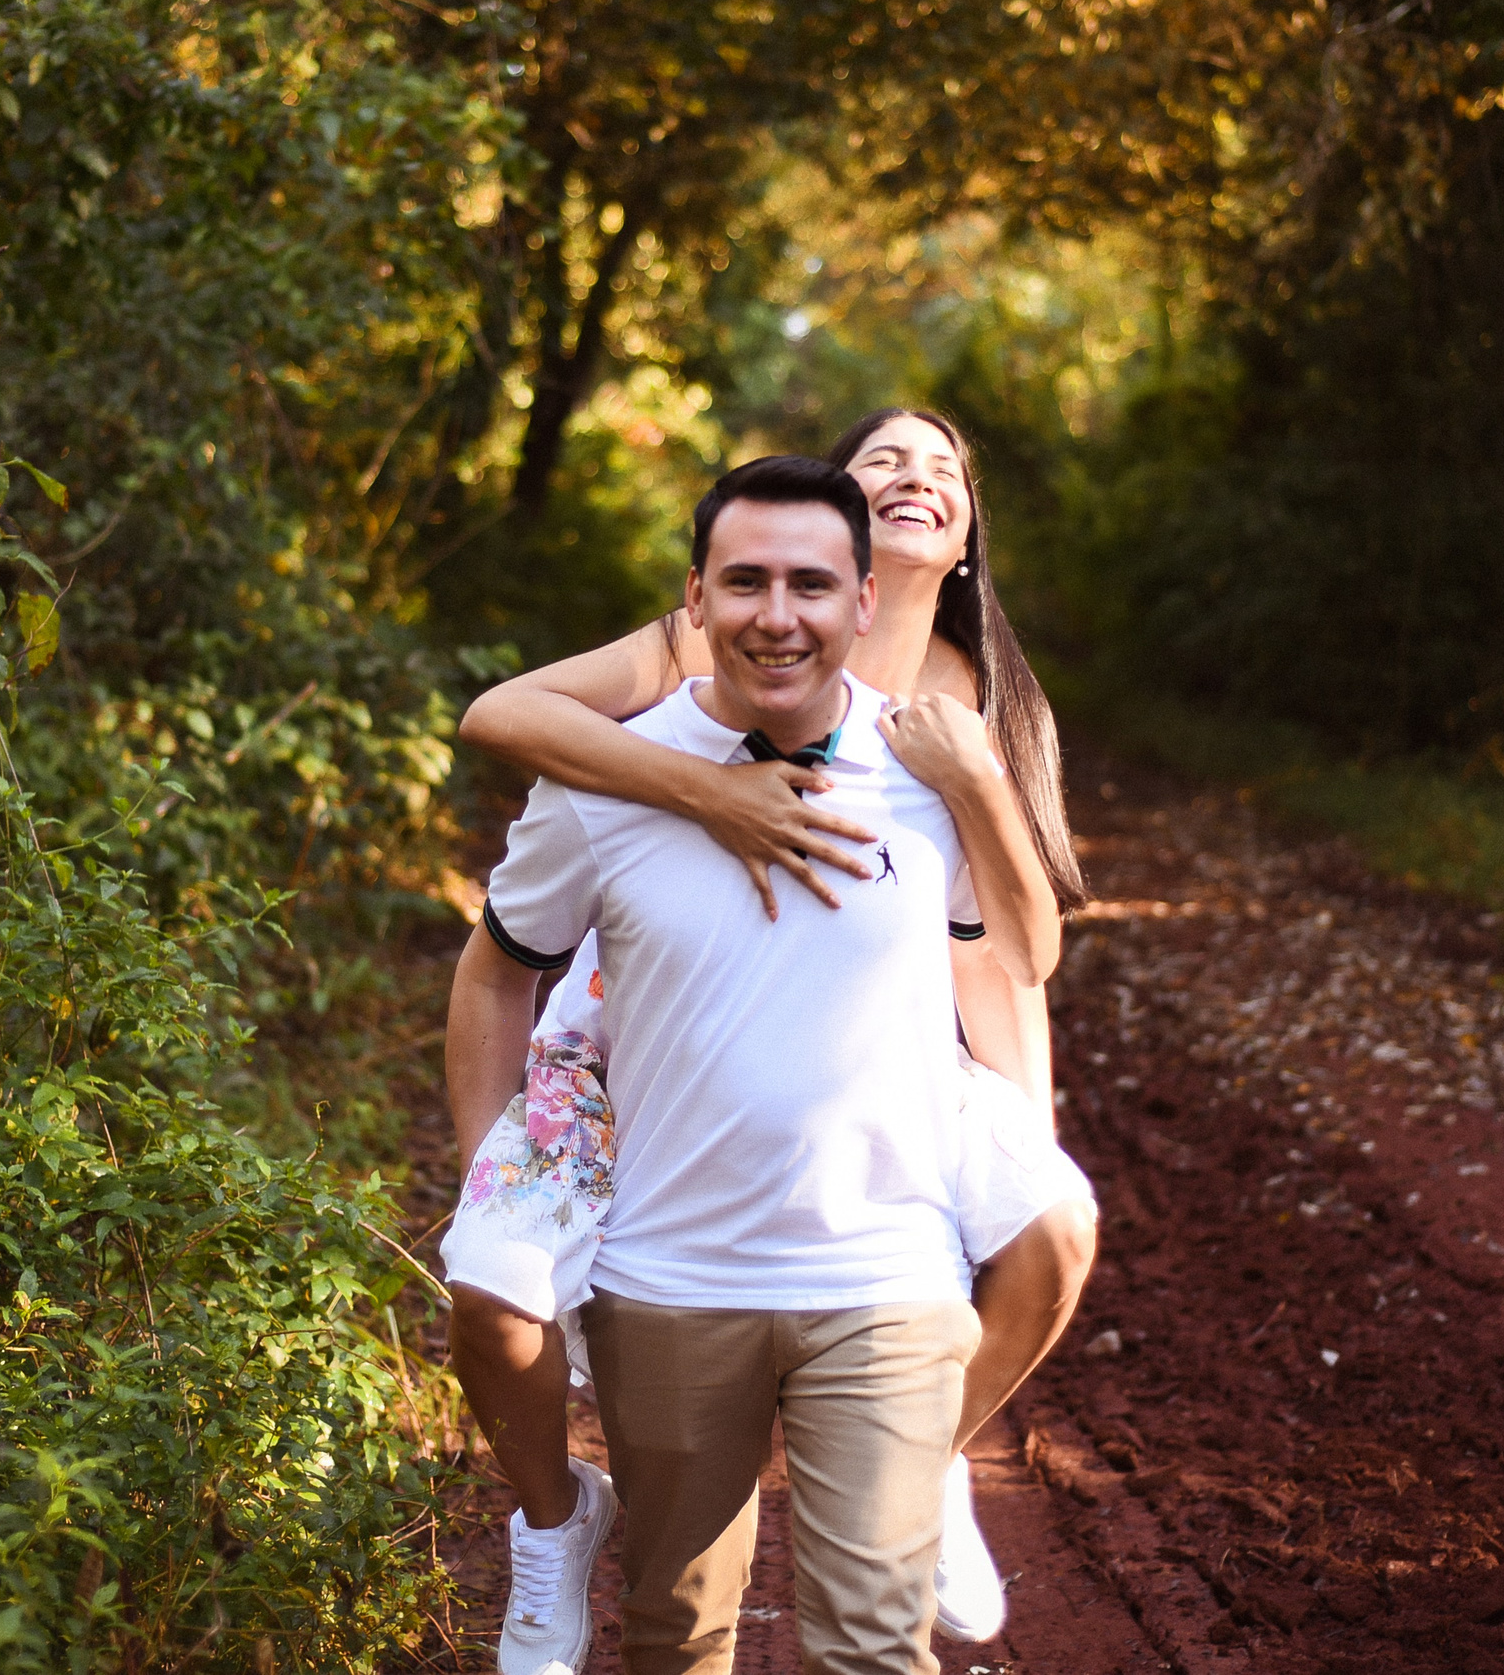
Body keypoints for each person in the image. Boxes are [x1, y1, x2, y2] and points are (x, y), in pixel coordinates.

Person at [452, 411, 1095, 1659]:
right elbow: (502, 852)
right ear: (698, 597)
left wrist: (1019, 1149)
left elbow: (1018, 960)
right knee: (678, 1629)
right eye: (746, 581)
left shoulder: (958, 737)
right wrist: (704, 788)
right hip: (668, 1231)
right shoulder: (624, 748)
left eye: (812, 582)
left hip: (884, 1249)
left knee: (874, 1641)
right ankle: (552, 1525)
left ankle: (930, 1463)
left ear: (865, 595)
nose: (778, 610)